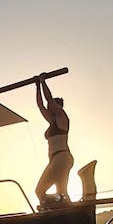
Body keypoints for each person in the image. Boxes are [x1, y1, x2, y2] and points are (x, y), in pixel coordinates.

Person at [35, 75, 74, 208]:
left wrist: (43, 81)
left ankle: (57, 206)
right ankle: (63, 207)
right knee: (61, 192)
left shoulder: (62, 117)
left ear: (59, 107)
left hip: (61, 157)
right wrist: (37, 86)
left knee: (40, 191)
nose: (49, 109)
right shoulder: (52, 122)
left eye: (52, 107)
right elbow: (40, 106)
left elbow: (49, 101)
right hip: (56, 160)